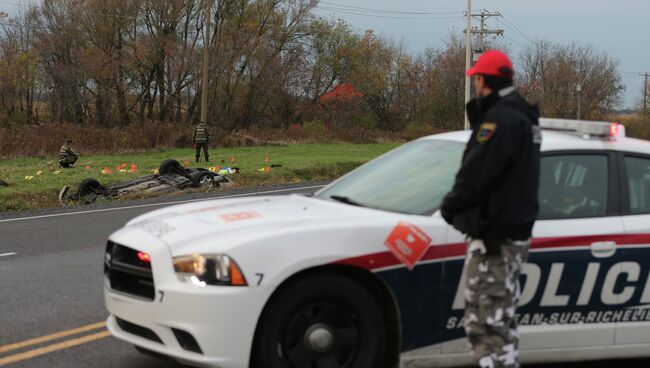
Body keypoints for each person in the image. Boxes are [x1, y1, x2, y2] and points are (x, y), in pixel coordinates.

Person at [440, 50, 542, 368]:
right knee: (501, 322)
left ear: (482, 80)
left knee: (486, 326)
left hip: (495, 239)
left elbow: (477, 173)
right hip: (509, 236)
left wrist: (450, 207)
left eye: (476, 79)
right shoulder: (522, 117)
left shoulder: (501, 120)